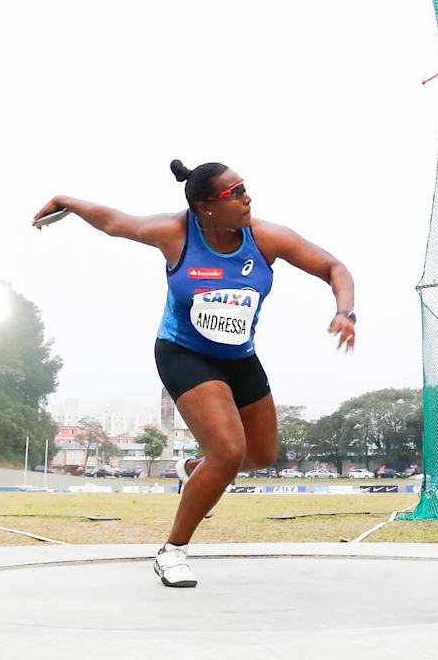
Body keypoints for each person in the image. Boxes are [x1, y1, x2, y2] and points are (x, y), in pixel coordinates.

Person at [33, 159, 356, 588]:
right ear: (206, 206)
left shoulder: (265, 237)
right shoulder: (175, 233)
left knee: (260, 456)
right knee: (227, 451)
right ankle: (173, 551)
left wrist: (344, 312)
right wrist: (67, 201)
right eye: (235, 193)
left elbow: (335, 267)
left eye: (246, 188)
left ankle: (192, 468)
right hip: (183, 352)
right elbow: (115, 223)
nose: (247, 198)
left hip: (239, 356)